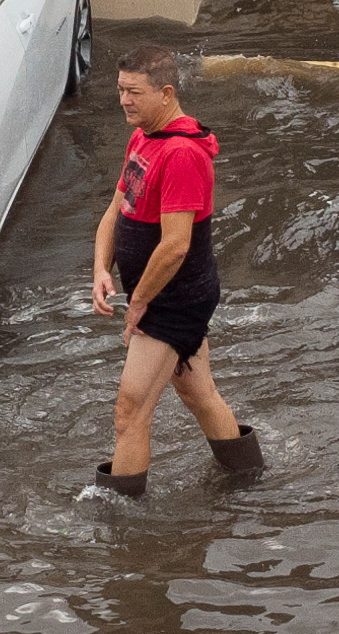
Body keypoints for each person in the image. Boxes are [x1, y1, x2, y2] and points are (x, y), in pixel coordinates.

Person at [87, 45, 263, 497]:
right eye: (120, 90)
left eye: (134, 92)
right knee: (197, 393)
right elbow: (115, 208)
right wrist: (101, 270)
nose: (124, 100)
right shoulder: (144, 135)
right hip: (162, 294)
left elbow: (176, 245)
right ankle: (249, 481)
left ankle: (118, 519)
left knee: (130, 410)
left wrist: (139, 302)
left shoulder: (182, 155)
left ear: (166, 93)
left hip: (175, 298)